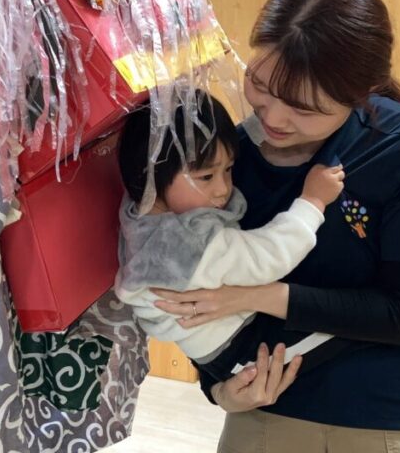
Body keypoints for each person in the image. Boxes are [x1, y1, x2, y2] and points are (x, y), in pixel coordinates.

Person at [150, 0, 400, 452]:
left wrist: (258, 295)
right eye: (260, 84)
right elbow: (192, 292)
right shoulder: (227, 156)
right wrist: (218, 390)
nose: (273, 118)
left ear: (361, 94)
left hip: (389, 418)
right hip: (264, 410)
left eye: (304, 108)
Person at [114, 92, 347, 383]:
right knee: (341, 327)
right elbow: (269, 257)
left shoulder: (141, 208)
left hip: (221, 341)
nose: (223, 188)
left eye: (228, 169)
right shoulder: (188, 243)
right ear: (149, 176)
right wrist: (313, 201)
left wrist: (260, 125)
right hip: (240, 349)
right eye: (207, 177)